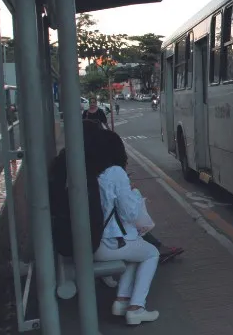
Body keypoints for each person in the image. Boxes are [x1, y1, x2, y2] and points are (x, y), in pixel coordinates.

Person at [88, 128, 160, 325]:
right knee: (152, 253)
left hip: (92, 240)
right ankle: (136, 308)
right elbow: (130, 212)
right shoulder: (115, 172)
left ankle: (122, 301)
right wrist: (134, 193)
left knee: (136, 252)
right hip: (109, 243)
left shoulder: (92, 171)